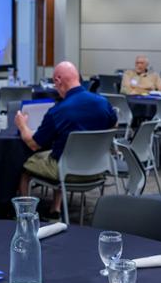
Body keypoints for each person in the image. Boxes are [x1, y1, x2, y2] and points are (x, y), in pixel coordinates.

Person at [15, 61, 116, 219]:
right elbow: (113, 125)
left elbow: (33, 144)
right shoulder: (104, 103)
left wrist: (22, 125)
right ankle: (55, 207)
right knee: (62, 150)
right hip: (99, 169)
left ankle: (25, 215)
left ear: (58, 81)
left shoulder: (58, 111)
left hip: (67, 170)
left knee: (26, 168)